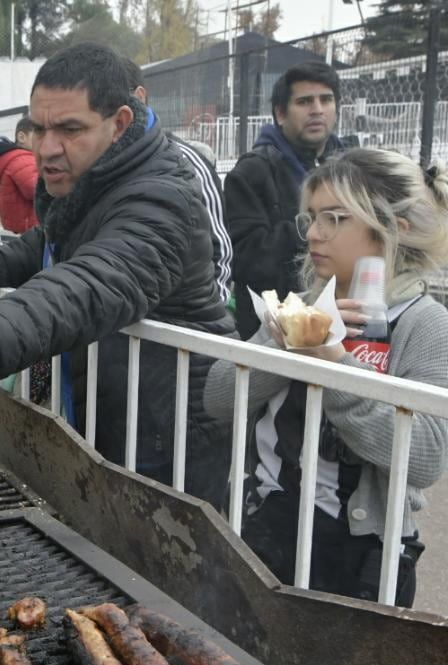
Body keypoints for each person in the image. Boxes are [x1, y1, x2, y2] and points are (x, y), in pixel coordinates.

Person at [0, 42, 235, 507]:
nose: (47, 149)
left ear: (119, 124)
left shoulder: (163, 196)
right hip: (116, 408)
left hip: (167, 431)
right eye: (38, 129)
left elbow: (95, 278)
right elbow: (48, 244)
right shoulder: (97, 177)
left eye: (69, 129)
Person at [205, 150, 448, 607]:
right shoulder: (302, 305)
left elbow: (426, 458)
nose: (314, 234)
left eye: (335, 218)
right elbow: (219, 400)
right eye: (312, 218)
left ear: (395, 229)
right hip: (263, 530)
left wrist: (333, 365)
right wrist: (283, 342)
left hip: (358, 558)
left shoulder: (425, 324)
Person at [226, 61, 344, 338]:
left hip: (342, 321)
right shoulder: (252, 172)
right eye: (304, 101)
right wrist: (314, 225)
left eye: (326, 100)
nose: (317, 109)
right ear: (280, 113)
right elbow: (248, 263)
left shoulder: (351, 169)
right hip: (273, 333)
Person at [125, 59, 233, 306]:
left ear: (139, 97)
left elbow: (220, 254)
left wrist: (206, 320)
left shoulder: (187, 161)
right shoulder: (94, 165)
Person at [0, 118, 39, 234]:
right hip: (29, 230)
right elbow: (34, 189)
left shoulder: (13, 158)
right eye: (38, 135)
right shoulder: (22, 159)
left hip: (19, 228)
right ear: (22, 137)